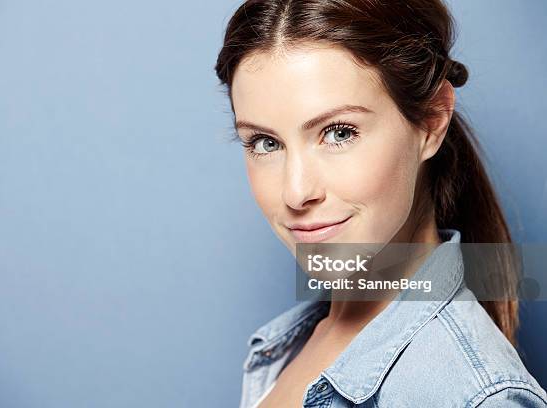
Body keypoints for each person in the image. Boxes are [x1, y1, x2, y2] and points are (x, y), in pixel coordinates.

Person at [214, 0, 547, 407]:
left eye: (338, 133)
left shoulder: (473, 395)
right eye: (265, 143)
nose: (295, 192)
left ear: (431, 122)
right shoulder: (285, 345)